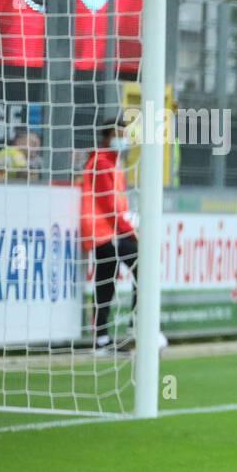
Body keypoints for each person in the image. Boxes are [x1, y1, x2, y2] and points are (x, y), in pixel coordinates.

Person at [80, 123, 138, 352]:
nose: (123, 139)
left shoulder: (111, 162)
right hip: (106, 232)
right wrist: (131, 233)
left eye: (125, 135)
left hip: (106, 233)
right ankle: (138, 327)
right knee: (143, 269)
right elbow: (109, 206)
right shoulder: (102, 163)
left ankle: (101, 340)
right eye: (119, 134)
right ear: (108, 137)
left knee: (105, 283)